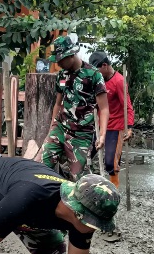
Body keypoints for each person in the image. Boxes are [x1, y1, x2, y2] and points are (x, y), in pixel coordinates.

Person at [40, 36, 109, 181]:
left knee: (79, 177)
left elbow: (104, 108)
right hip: (60, 127)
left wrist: (102, 135)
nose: (58, 64)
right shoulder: (62, 75)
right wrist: (53, 125)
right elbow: (58, 103)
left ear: (71, 54)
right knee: (44, 163)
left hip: (81, 134)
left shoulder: (93, 75)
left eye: (60, 60)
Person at [88, 51, 134, 189]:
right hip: (99, 125)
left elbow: (128, 107)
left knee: (110, 163)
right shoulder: (97, 80)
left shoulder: (119, 81)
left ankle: (113, 193)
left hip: (115, 126)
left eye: (98, 69)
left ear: (105, 65)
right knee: (85, 154)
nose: (96, 73)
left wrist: (130, 127)